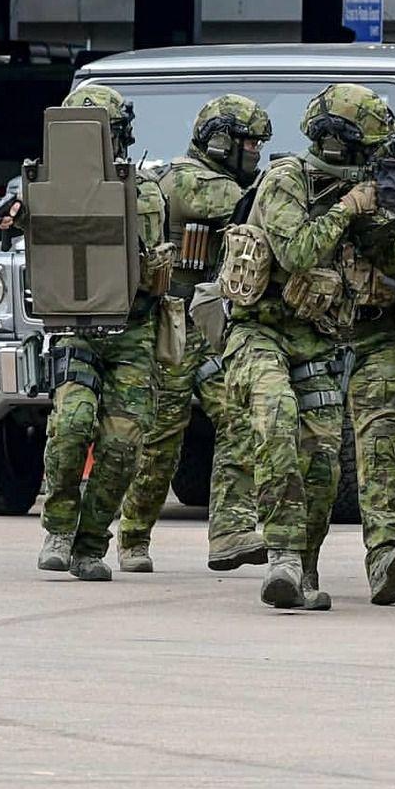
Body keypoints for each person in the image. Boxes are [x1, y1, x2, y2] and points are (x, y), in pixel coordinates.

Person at [223, 83, 395, 609]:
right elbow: (300, 251)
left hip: (339, 334)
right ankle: (286, 557)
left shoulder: (376, 187)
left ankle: (367, 557)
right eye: (372, 151)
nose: (379, 162)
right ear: (337, 145)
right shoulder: (286, 182)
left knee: (346, 452)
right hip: (270, 332)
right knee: (280, 419)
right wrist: (351, 206)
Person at [116, 94, 272, 572]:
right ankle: (133, 535)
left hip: (209, 328)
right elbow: (255, 208)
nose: (256, 154)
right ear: (222, 141)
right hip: (174, 329)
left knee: (240, 418)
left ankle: (230, 531)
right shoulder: (192, 181)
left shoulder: (211, 180)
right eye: (249, 144)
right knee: (162, 437)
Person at [25, 85, 170, 580]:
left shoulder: (147, 189)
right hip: (76, 328)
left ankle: (90, 545)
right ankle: (60, 528)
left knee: (122, 444)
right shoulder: (44, 185)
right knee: (70, 428)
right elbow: (21, 218)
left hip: (133, 332)